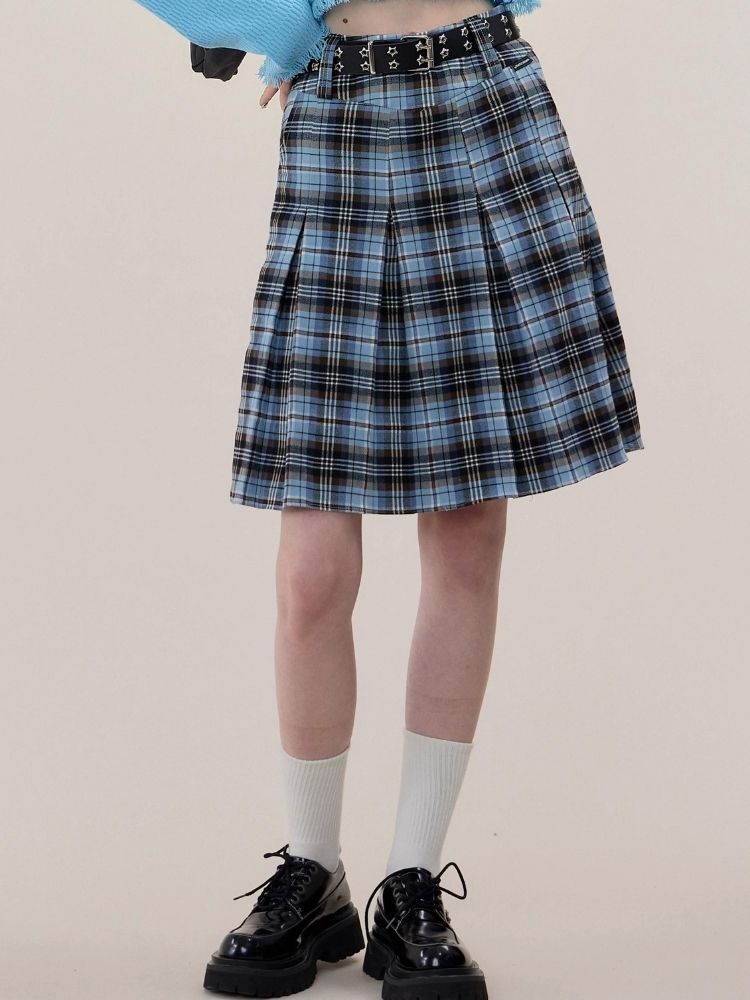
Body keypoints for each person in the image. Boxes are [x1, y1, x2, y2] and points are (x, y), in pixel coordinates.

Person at [133, 1, 646, 997]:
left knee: (466, 535)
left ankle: (413, 884)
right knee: (312, 574)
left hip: (485, 103)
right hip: (344, 112)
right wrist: (269, 23)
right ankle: (312, 870)